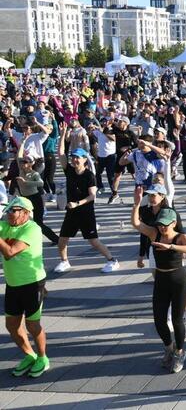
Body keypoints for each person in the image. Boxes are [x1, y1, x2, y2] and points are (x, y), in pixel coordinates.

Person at [131, 196, 186, 374]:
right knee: (159, 319)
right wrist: (136, 204)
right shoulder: (155, 234)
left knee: (177, 320)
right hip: (161, 280)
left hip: (179, 280)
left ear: (173, 223)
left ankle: (179, 352)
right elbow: (136, 224)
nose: (161, 227)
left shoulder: (181, 237)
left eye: (165, 225)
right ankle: (169, 347)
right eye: (160, 224)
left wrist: (172, 248)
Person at [54, 128, 118, 273]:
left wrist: (77, 203)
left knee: (93, 241)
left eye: (78, 157)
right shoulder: (69, 171)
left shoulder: (89, 175)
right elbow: (61, 153)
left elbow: (92, 196)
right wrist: (63, 135)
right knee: (62, 240)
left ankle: (112, 260)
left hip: (85, 212)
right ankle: (64, 261)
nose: (74, 159)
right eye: (73, 157)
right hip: (71, 212)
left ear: (84, 159)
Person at [0, 197, 49, 378]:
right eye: (8, 210)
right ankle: (30, 355)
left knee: (32, 325)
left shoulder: (32, 229)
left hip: (32, 284)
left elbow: (10, 252)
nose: (9, 214)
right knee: (12, 325)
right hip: (13, 284)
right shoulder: (5, 226)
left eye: (14, 210)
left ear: (26, 213)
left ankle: (43, 358)